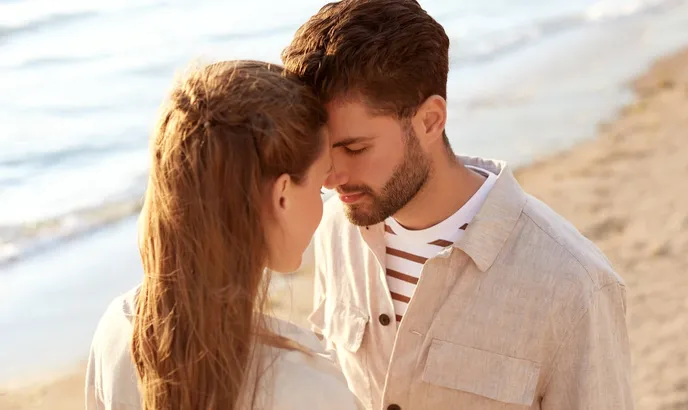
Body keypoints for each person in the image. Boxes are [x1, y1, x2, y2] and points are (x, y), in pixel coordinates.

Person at [282, 1, 634, 409]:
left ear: (430, 121)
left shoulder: (575, 284)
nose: (329, 178)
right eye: (323, 151)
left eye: (355, 148)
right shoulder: (333, 231)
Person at [84, 60, 360, 410]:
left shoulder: (116, 330)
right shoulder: (305, 387)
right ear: (282, 196)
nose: (328, 199)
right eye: (320, 186)